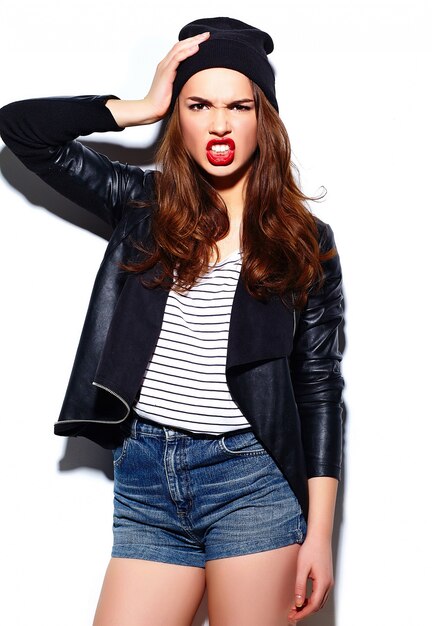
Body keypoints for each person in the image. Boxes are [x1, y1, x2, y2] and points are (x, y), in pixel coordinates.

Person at [0, 16, 344, 626]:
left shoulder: (302, 241)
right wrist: (140, 105)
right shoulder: (142, 206)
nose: (218, 124)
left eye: (239, 106)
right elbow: (20, 127)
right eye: (197, 104)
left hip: (251, 480)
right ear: (177, 116)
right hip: (146, 477)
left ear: (263, 117)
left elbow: (318, 386)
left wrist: (319, 535)